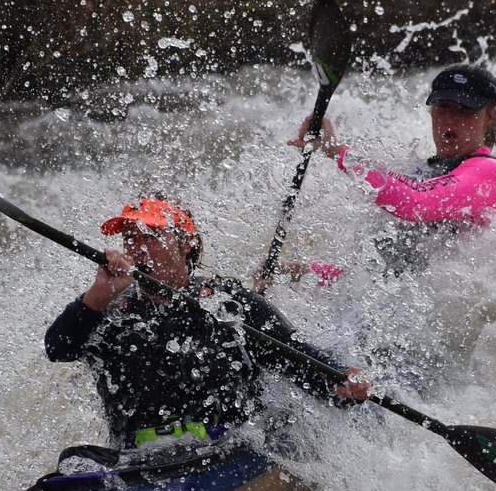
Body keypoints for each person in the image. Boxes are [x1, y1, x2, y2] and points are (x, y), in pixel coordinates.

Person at [43, 193, 371, 471]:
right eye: (130, 237)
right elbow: (58, 349)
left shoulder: (230, 303)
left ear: (186, 243)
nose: (138, 247)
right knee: (74, 462)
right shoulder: (108, 310)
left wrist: (339, 381)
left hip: (226, 453)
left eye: (151, 236)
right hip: (137, 461)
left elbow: (294, 356)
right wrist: (96, 297)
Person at [288, 62, 496, 277]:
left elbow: (417, 203)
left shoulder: (490, 173)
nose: (452, 120)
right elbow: (388, 275)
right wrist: (306, 272)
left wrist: (338, 151)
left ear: (490, 117)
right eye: (444, 107)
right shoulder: (426, 175)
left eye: (466, 110)